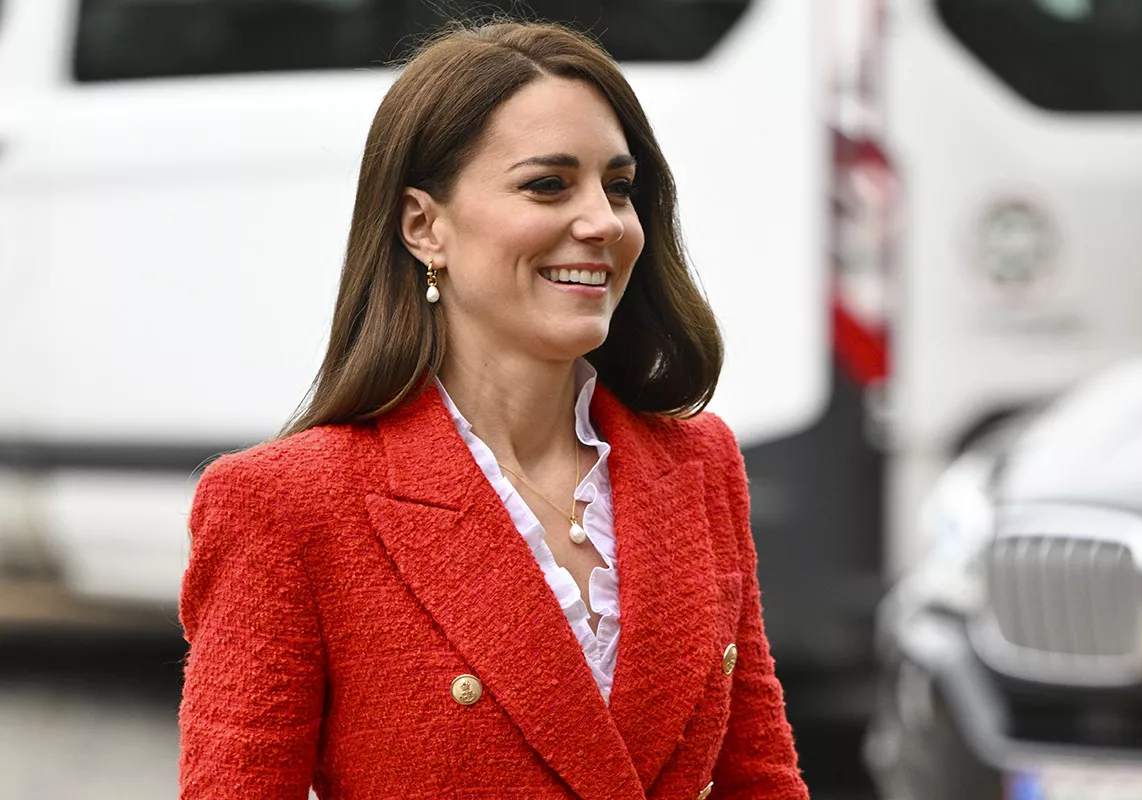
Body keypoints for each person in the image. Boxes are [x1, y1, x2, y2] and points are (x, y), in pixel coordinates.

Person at [178, 19, 808, 800]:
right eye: (548, 184)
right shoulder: (286, 506)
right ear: (424, 226)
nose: (604, 222)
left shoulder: (700, 463)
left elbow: (762, 778)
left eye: (618, 186)